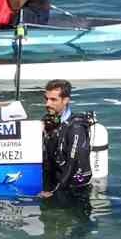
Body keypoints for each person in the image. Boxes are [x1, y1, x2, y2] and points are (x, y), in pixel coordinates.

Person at [40, 79, 97, 208]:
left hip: (75, 190)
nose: (47, 103)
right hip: (56, 184)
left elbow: (72, 164)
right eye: (46, 99)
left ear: (66, 100)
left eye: (53, 100)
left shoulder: (76, 127)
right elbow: (47, 159)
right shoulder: (48, 121)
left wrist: (55, 192)